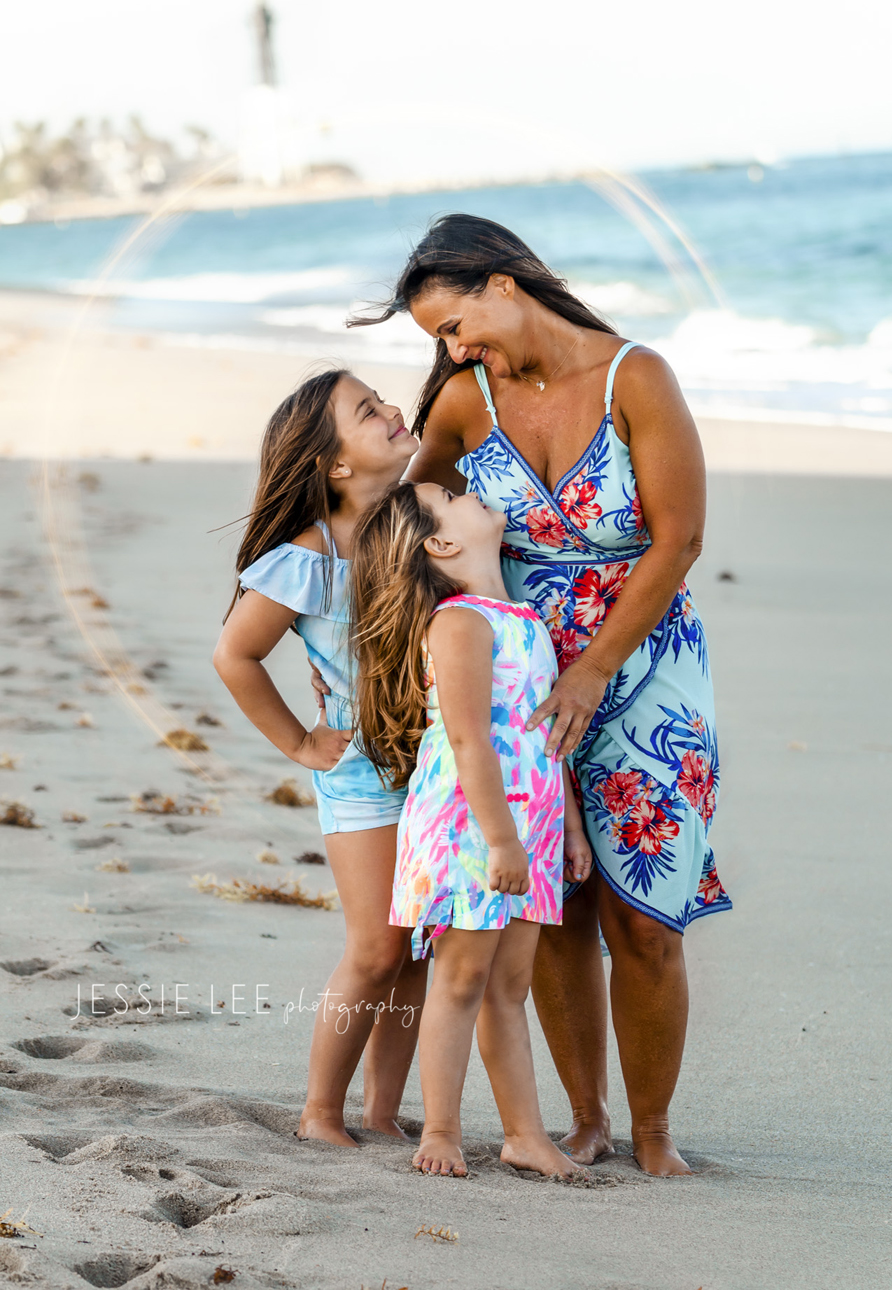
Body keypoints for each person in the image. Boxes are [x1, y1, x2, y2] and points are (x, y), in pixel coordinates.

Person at [350, 213, 732, 1177]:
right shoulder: (464, 400)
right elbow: (405, 521)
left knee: (644, 912)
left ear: (505, 284)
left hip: (640, 662)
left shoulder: (634, 376)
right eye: (437, 338)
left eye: (453, 325)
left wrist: (596, 663)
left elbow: (678, 536)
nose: (450, 349)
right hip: (511, 666)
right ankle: (584, 1118)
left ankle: (653, 1134)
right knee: (552, 901)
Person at [349, 480, 593, 1178]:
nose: (471, 491)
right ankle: (443, 1131)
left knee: (509, 985)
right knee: (459, 978)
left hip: (529, 826)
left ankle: (524, 1134)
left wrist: (567, 827)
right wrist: (500, 840)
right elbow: (468, 741)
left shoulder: (520, 616)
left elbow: (546, 738)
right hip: (473, 830)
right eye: (451, 494)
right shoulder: (459, 622)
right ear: (441, 543)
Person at [212, 368, 427, 1147]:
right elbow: (236, 654)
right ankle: (321, 1110)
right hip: (363, 775)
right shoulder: (310, 557)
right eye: (368, 411)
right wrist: (301, 742)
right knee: (375, 946)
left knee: (415, 950)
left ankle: (380, 1109)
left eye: (384, 399)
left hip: (436, 768)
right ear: (334, 465)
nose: (394, 410)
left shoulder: (420, 517)